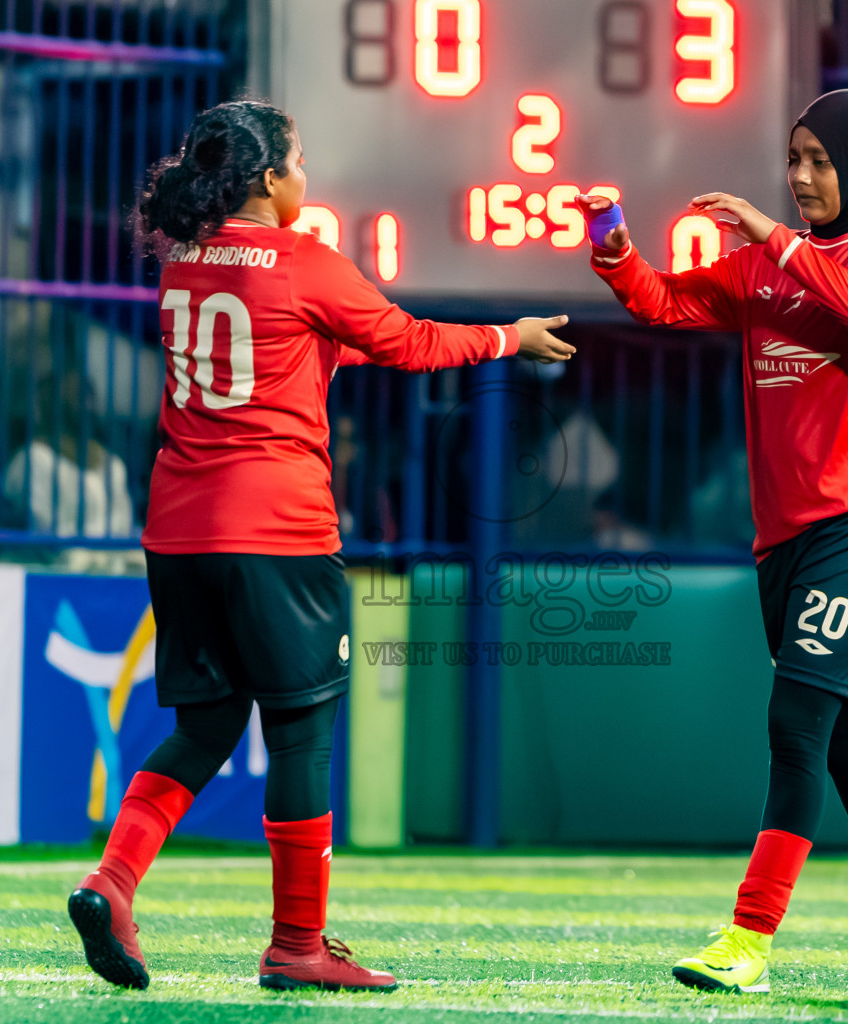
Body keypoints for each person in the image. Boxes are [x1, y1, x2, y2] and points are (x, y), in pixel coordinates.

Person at [66, 98, 574, 994]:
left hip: (179, 531)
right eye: (298, 161)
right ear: (270, 179)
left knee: (205, 725)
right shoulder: (302, 260)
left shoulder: (183, 264)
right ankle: (298, 944)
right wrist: (510, 337)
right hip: (278, 531)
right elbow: (407, 344)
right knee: (301, 731)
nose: (306, 176)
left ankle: (112, 880)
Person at [576, 89, 848, 993]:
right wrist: (613, 245)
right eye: (793, 159)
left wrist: (774, 238)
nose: (800, 177)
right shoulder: (759, 269)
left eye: (820, 160)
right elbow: (665, 305)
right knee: (841, 734)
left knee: (796, 723)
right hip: (783, 537)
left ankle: (748, 940)